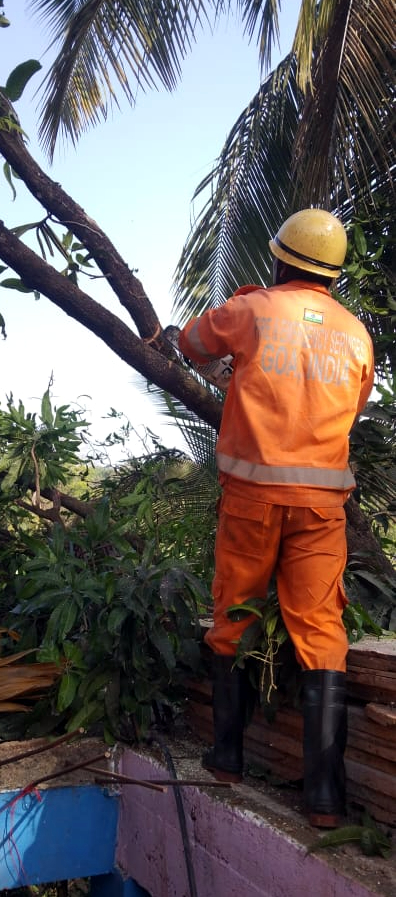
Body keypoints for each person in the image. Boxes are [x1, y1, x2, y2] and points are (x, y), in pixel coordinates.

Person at [177, 208, 374, 828]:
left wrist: (241, 309)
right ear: (334, 273)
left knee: (233, 614)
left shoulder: (253, 309)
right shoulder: (358, 336)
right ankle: (323, 799)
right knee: (322, 632)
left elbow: (192, 343)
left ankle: (228, 757)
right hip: (322, 508)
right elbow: (354, 403)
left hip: (253, 500)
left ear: (282, 257)